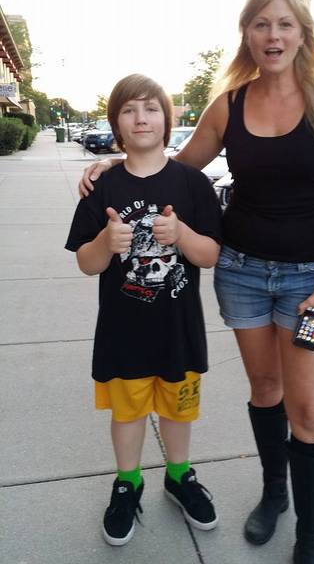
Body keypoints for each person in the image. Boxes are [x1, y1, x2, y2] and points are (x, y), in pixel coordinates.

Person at [78, 0, 314, 564]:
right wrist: (114, 166)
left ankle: (310, 537)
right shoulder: (229, 104)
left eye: (284, 23)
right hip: (242, 272)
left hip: (309, 280)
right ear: (247, 34)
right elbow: (170, 170)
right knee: (266, 391)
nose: (273, 35)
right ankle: (274, 494)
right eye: (261, 24)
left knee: (309, 411)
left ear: (303, 32)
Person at [66, 73, 222, 547]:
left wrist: (183, 235)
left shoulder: (193, 184)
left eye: (151, 108)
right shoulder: (103, 187)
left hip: (178, 329)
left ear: (166, 120)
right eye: (129, 110)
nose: (141, 118)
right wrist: (104, 241)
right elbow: (86, 263)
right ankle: (127, 482)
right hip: (123, 333)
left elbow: (210, 255)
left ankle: (178, 475)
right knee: (128, 412)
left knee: (178, 410)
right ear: (116, 123)